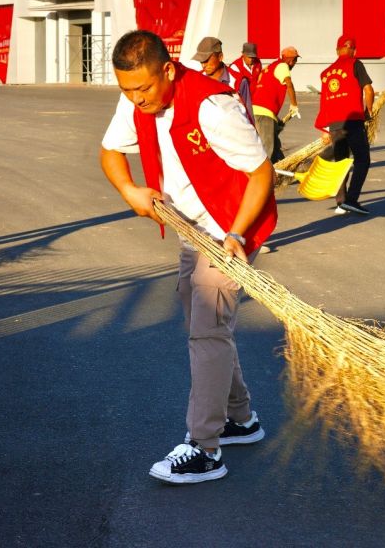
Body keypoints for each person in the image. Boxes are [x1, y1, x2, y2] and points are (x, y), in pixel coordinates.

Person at [100, 30, 277, 484]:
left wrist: (237, 233)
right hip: (188, 229)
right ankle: (240, 419)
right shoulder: (135, 97)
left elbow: (261, 173)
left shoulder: (212, 107)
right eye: (127, 89)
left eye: (144, 88)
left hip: (227, 232)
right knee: (204, 327)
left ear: (168, 69)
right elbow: (110, 151)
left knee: (207, 331)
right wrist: (128, 190)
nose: (137, 99)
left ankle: (204, 447)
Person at [314, 35, 374, 215]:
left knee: (341, 163)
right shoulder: (355, 64)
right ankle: (352, 200)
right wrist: (369, 111)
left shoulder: (326, 73)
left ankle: (341, 203)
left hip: (334, 124)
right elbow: (368, 89)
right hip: (353, 121)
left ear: (337, 49)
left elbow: (324, 101)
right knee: (362, 159)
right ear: (353, 50)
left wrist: (325, 128)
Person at [251, 46, 301, 163]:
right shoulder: (283, 66)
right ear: (291, 60)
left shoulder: (269, 67)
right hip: (264, 113)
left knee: (275, 146)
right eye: (295, 61)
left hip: (255, 111)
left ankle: (284, 173)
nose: (295, 64)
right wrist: (294, 105)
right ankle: (262, 178)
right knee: (267, 150)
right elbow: (289, 83)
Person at [191, 36, 254, 120]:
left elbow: (249, 115)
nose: (203, 65)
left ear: (220, 57)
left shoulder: (239, 81)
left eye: (206, 60)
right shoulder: (196, 80)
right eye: (201, 61)